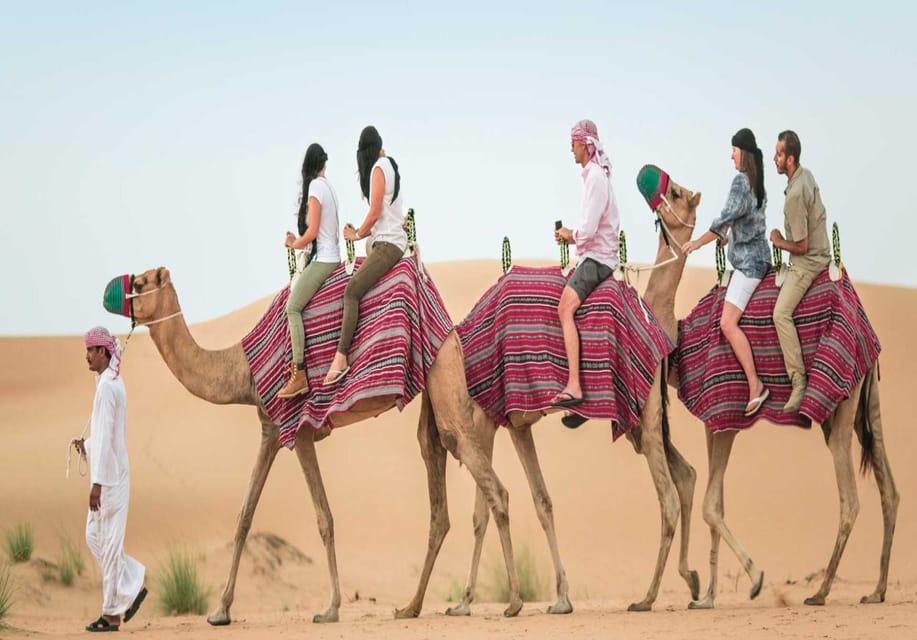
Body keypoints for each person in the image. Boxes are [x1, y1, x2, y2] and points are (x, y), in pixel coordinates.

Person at [684, 128, 772, 417]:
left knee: (727, 323)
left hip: (748, 267)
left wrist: (697, 243)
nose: (730, 155)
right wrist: (728, 238)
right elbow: (746, 222)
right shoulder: (757, 182)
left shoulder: (740, 181)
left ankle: (755, 384)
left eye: (733, 150)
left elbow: (724, 218)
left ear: (742, 152)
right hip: (758, 258)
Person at [74, 327, 147, 632]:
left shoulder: (108, 388)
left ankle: (111, 616)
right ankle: (133, 583)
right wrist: (87, 446)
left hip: (111, 480)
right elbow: (106, 436)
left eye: (91, 350)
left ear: (104, 352)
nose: (87, 355)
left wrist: (97, 485)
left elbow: (107, 441)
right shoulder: (107, 383)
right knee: (96, 538)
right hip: (110, 473)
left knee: (110, 545)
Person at [323, 125, 406, 385]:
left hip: (388, 245)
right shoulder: (390, 164)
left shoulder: (378, 168)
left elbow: (375, 212)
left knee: (351, 291)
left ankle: (341, 358)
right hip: (387, 240)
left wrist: (356, 234)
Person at [551, 119, 620, 408]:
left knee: (564, 309)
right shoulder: (593, 177)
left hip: (598, 259)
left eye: (573, 143)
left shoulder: (595, 179)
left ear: (585, 145)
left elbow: (589, 231)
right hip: (593, 255)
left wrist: (570, 235)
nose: (571, 149)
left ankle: (575, 386)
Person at [770, 130, 831, 412]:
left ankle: (798, 380)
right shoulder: (805, 175)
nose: (775, 158)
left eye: (780, 154)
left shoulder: (795, 193)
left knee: (780, 313)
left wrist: (779, 241)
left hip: (809, 262)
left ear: (790, 159)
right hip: (819, 254)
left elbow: (803, 246)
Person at [278, 143, 342, 398]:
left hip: (325, 259)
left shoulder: (316, 187)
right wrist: (299, 240)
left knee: (292, 308)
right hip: (328, 255)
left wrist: (295, 243)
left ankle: (300, 373)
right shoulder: (330, 188)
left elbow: (313, 231)